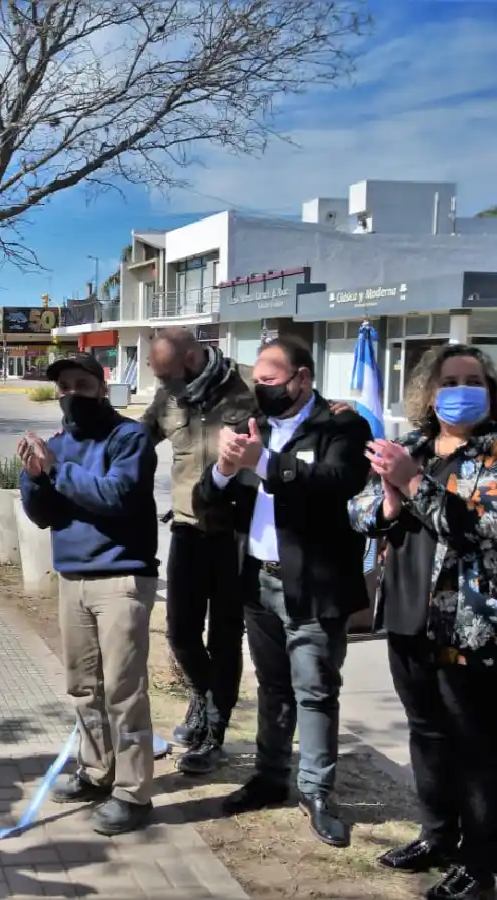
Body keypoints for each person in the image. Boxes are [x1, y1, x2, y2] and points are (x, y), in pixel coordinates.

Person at [195, 335, 372, 849]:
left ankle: (317, 792)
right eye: (259, 381)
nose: (262, 389)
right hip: (257, 579)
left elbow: (337, 481)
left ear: (302, 378)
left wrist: (266, 463)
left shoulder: (342, 424)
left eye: (271, 381)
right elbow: (209, 502)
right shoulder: (253, 426)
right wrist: (225, 471)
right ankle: (271, 777)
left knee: (315, 690)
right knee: (271, 687)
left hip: (313, 583)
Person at [348, 343, 497, 900]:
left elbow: (476, 527)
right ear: (429, 395)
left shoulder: (491, 454)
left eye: (474, 379)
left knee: (475, 746)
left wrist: (411, 483)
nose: (463, 389)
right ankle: (437, 837)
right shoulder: (409, 445)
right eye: (451, 380)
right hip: (407, 613)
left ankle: (480, 865)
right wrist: (386, 501)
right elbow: (358, 511)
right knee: (428, 735)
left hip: (470, 624)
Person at [18, 354, 159, 836]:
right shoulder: (58, 444)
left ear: (102, 387)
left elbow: (117, 497)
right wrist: (35, 478)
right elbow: (43, 515)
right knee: (83, 687)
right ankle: (97, 772)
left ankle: (133, 792)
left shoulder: (129, 438)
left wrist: (56, 471)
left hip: (121, 579)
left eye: (81, 384)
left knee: (124, 690)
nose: (71, 394)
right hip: (72, 578)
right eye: (63, 388)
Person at [139, 327, 256, 775]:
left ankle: (214, 733)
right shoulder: (168, 395)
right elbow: (137, 439)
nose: (163, 383)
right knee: (180, 633)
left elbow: (300, 419)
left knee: (226, 638)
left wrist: (335, 413)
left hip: (236, 535)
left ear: (191, 358)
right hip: (188, 530)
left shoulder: (249, 386)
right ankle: (203, 702)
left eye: (168, 373)